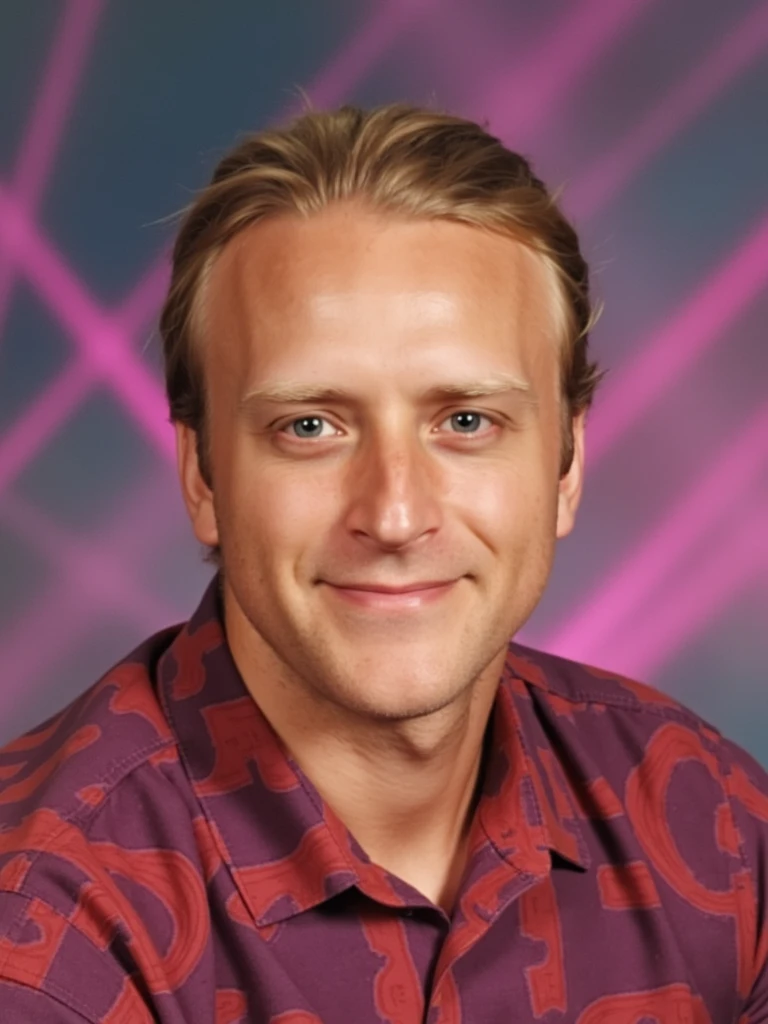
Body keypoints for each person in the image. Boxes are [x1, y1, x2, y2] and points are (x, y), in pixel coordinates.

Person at [0, 103, 765, 1024]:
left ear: (566, 464)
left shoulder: (711, 821)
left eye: (467, 422)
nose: (396, 515)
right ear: (202, 473)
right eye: (310, 427)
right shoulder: (41, 925)